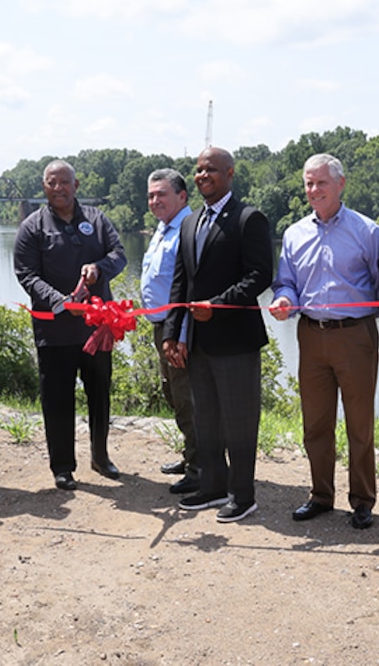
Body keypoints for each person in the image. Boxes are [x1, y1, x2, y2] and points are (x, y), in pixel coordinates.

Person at [270, 154, 379, 530]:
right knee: (315, 423)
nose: (313, 190)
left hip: (354, 336)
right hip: (310, 334)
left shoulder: (367, 231)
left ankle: (362, 500)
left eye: (321, 182)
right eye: (308, 183)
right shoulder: (293, 233)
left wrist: (362, 317)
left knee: (359, 424)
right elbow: (285, 280)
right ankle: (320, 495)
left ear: (341, 184)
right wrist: (285, 298)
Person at [163, 147, 273, 523]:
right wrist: (171, 332)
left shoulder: (248, 218)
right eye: (198, 170)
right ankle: (212, 486)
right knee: (205, 417)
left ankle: (243, 496)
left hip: (237, 341)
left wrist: (218, 304)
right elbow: (181, 281)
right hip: (197, 342)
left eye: (211, 169)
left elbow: (260, 276)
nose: (202, 175)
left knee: (239, 421)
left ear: (229, 173)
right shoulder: (190, 223)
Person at [14, 160, 127, 491]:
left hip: (97, 330)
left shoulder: (97, 219)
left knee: (100, 395)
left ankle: (100, 457)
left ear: (76, 185)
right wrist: (61, 302)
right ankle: (62, 466)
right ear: (44, 187)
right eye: (52, 183)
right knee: (58, 400)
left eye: (65, 182)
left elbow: (119, 254)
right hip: (54, 332)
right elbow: (26, 274)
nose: (59, 188)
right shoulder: (32, 227)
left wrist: (100, 268)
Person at [140, 168, 199, 495]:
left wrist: (180, 336)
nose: (154, 200)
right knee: (173, 395)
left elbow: (190, 289)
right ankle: (191, 456)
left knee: (187, 398)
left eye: (161, 194)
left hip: (178, 329)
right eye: (150, 195)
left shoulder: (187, 231)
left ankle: (200, 467)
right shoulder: (164, 229)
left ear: (182, 196)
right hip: (162, 327)